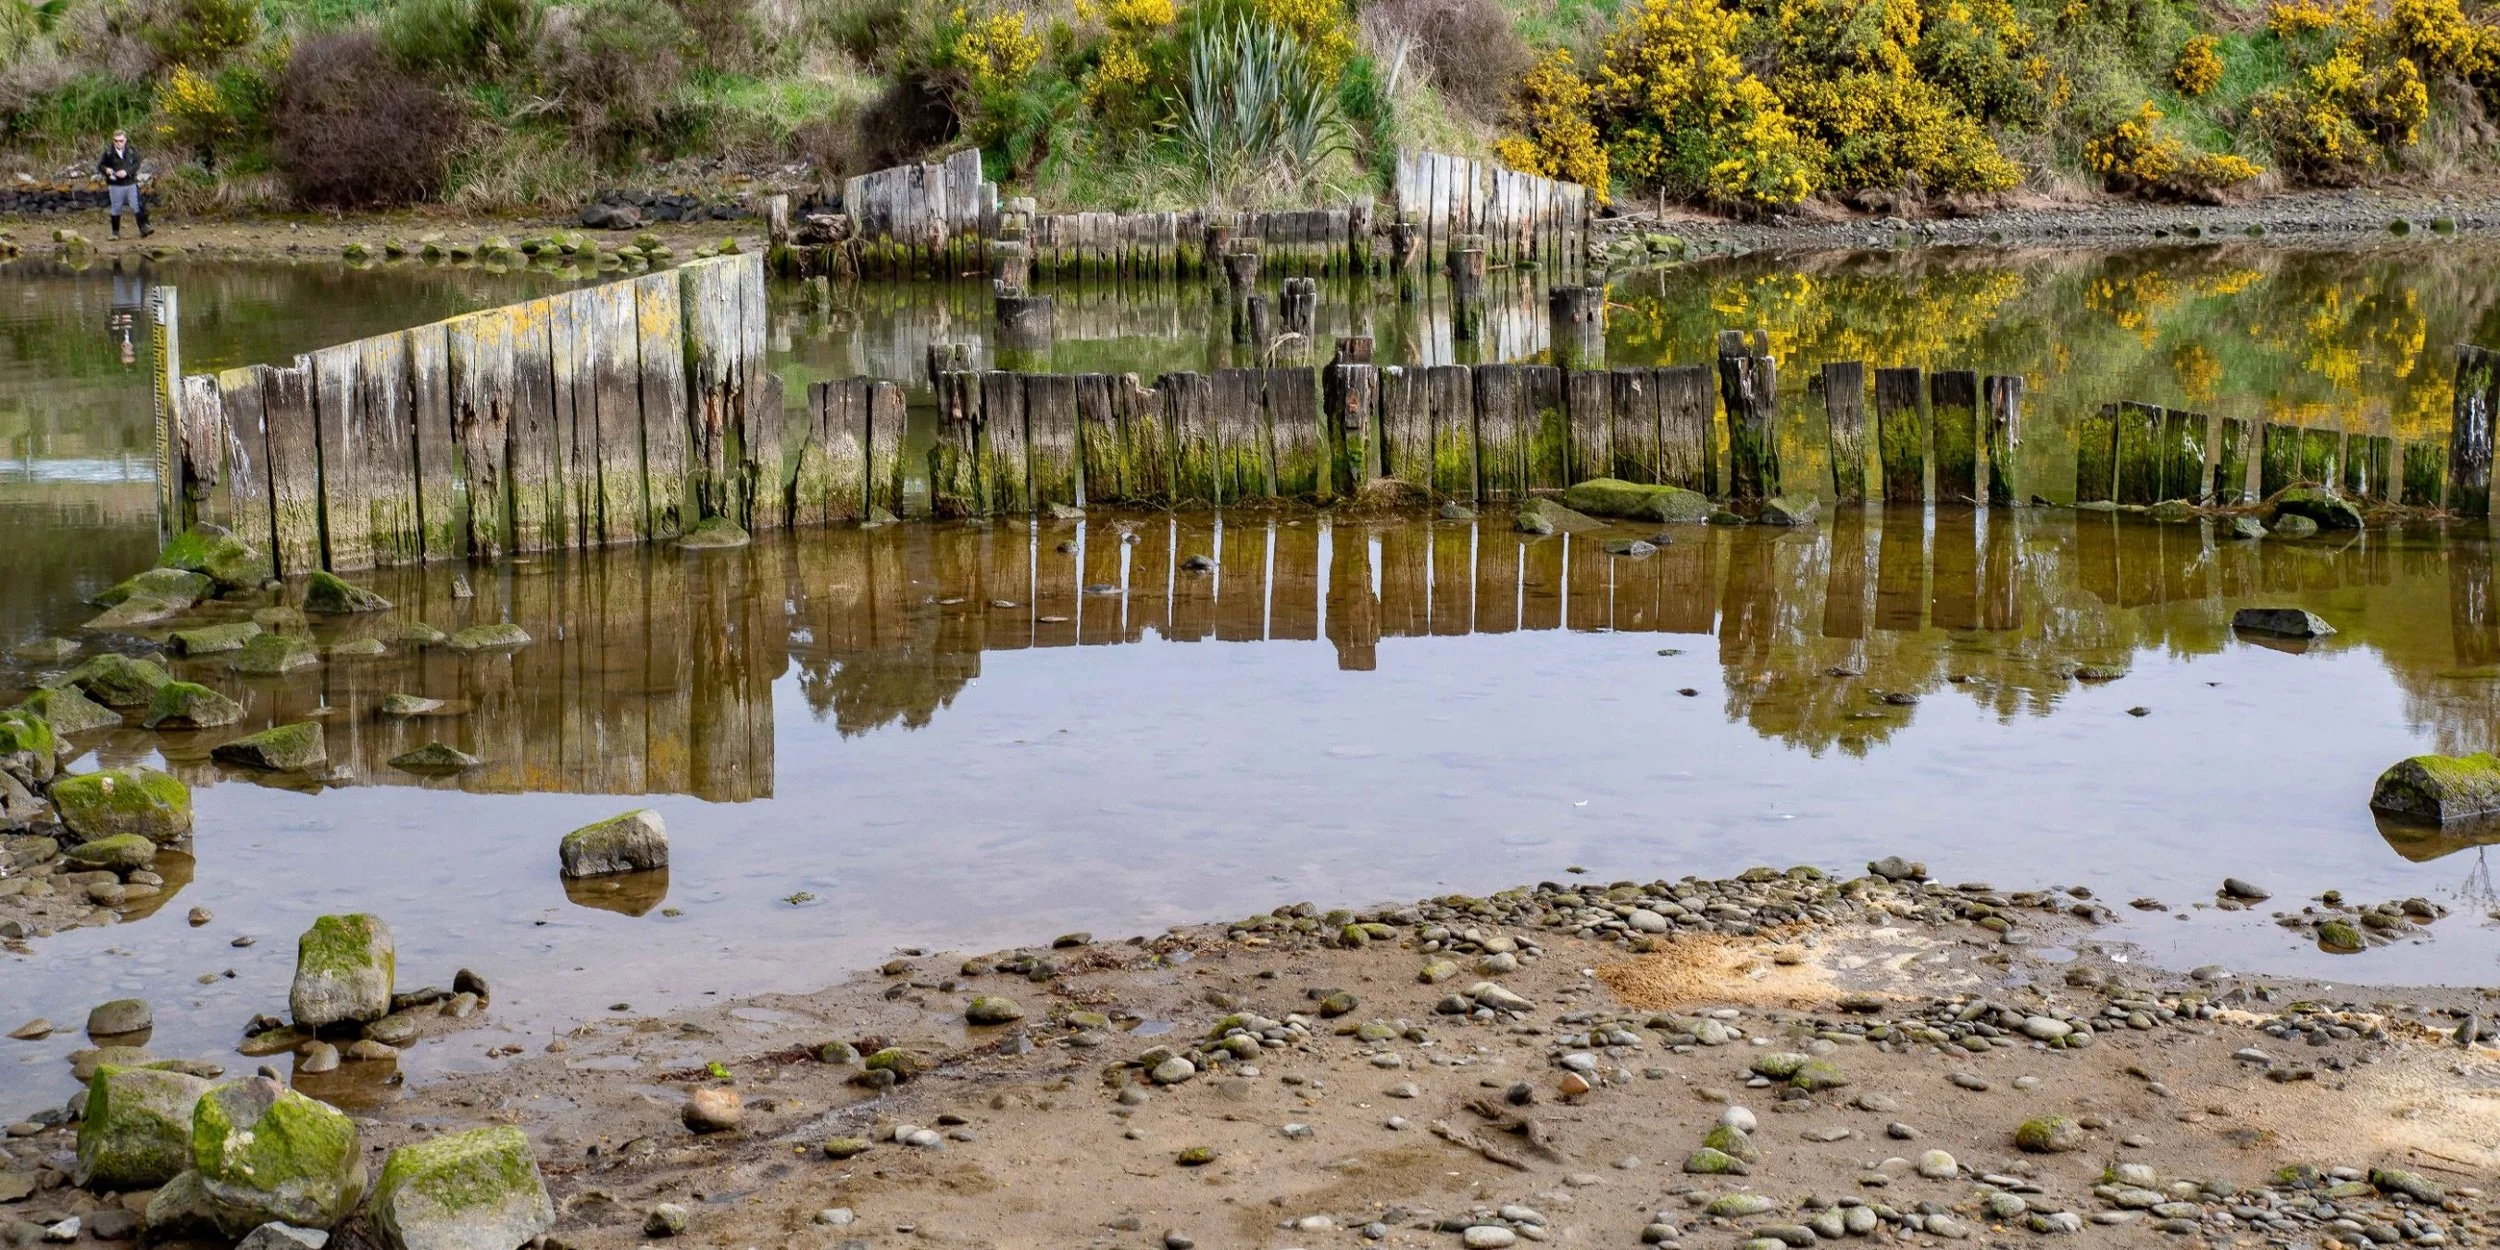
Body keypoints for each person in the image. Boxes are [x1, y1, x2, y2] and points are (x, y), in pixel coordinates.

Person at [97, 130, 148, 239]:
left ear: (125, 140)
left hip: (130, 183)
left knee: (137, 205)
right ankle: (115, 233)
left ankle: (143, 228)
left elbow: (137, 164)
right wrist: (107, 170)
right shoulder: (108, 152)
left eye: (121, 141)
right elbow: (100, 166)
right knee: (116, 208)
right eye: (116, 141)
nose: (118, 143)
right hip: (115, 185)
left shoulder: (131, 150)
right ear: (113, 141)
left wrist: (126, 172)